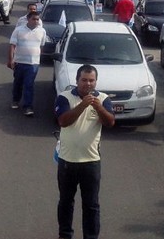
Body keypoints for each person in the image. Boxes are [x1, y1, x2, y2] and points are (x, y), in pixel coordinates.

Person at [55, 64, 115, 239]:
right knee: (66, 202)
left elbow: (110, 122)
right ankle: (65, 235)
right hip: (67, 161)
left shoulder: (103, 99)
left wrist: (99, 108)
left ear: (96, 82)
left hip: (91, 162)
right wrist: (83, 105)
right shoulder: (64, 98)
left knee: (91, 205)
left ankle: (91, 236)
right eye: (84, 80)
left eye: (91, 80)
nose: (88, 84)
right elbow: (63, 121)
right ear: (77, 81)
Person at [7, 11, 46, 116]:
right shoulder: (19, 30)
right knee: (18, 83)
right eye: (34, 19)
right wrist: (11, 60)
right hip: (19, 62)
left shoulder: (42, 31)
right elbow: (12, 46)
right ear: (28, 19)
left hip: (33, 64)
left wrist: (37, 58)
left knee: (29, 84)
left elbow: (41, 46)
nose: (36, 21)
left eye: (38, 19)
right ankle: (15, 99)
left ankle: (28, 107)